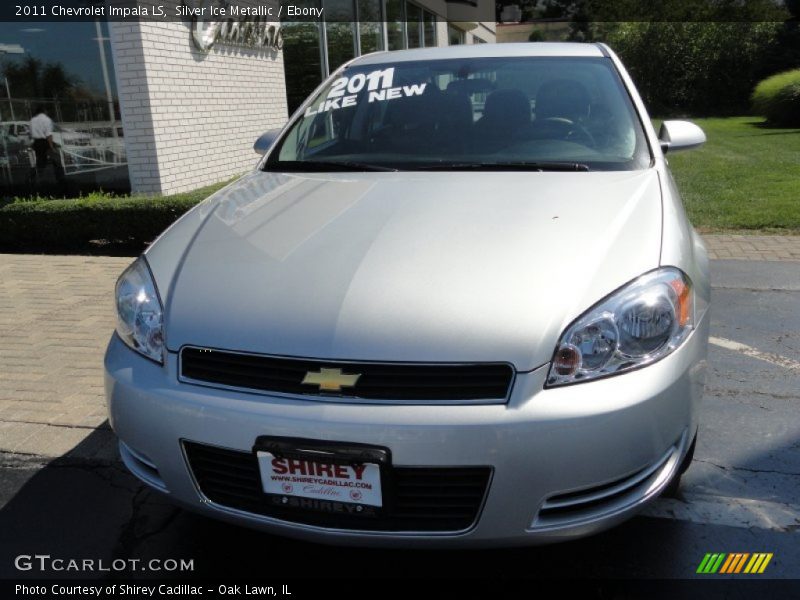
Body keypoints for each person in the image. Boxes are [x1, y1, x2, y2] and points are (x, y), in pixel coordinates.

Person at [29, 105, 65, 188]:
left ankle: (34, 179)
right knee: (56, 160)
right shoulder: (46, 120)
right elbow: (49, 135)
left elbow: (31, 133)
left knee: (40, 161)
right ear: (44, 111)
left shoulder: (32, 120)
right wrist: (51, 146)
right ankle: (60, 179)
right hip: (45, 142)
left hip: (37, 142)